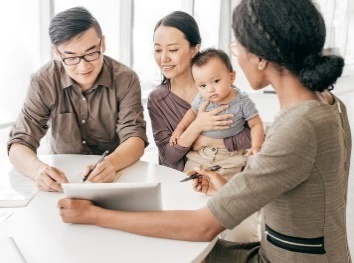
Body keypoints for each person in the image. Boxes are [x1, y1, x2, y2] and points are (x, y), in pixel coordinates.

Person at [58, 0, 352, 262]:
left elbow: (202, 226)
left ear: (260, 58)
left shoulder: (297, 127)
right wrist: (225, 187)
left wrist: (94, 214)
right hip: (300, 250)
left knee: (162, 250)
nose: (235, 57)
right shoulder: (328, 103)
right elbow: (295, 196)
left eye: (238, 49)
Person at [7, 7, 148, 192]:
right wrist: (38, 170)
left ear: (102, 44)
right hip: (63, 177)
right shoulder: (43, 81)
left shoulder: (125, 78)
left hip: (115, 172)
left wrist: (111, 163)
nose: (83, 67)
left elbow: (135, 137)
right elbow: (19, 143)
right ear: (57, 53)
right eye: (71, 57)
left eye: (91, 53)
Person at [147, 11, 253, 172]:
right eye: (158, 50)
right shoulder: (158, 99)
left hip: (227, 180)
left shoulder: (222, 90)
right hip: (182, 184)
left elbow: (251, 138)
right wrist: (196, 126)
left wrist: (204, 141)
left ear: (194, 50)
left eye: (173, 50)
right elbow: (168, 156)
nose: (164, 58)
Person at [170, 48, 264, 180]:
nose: (210, 89)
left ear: (231, 77)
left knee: (223, 190)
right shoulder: (202, 99)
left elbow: (256, 124)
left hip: (230, 157)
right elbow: (192, 112)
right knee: (190, 184)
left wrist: (256, 146)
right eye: (202, 85)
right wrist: (180, 128)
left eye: (216, 81)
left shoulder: (243, 102)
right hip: (200, 154)